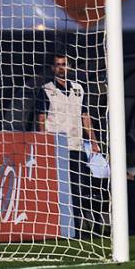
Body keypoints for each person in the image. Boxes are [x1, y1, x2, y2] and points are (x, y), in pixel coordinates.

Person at [36, 53, 98, 238]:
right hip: (57, 146)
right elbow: (41, 118)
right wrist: (43, 143)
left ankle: (80, 228)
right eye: (57, 65)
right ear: (52, 68)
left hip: (77, 145)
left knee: (80, 187)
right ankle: (65, 229)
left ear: (69, 67)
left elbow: (85, 116)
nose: (61, 68)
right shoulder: (46, 90)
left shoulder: (79, 89)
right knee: (62, 188)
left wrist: (93, 141)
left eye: (64, 64)